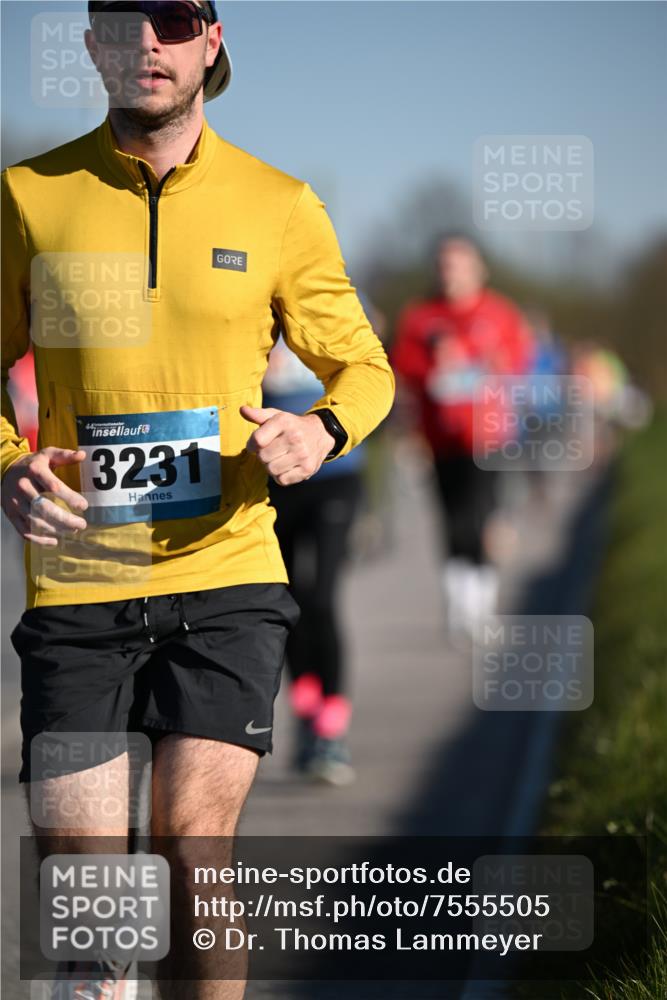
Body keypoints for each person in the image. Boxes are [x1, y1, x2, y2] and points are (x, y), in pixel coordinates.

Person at [0, 3, 394, 998]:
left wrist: (322, 429)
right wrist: (9, 460)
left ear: (209, 41)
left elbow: (363, 366)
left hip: (227, 573)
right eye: (120, 24)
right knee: (84, 872)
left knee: (189, 843)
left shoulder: (277, 203)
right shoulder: (27, 195)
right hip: (83, 573)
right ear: (92, 46)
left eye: (172, 21)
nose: (148, 45)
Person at [391, 233, 532, 633]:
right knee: (452, 518)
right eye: (443, 264)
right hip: (439, 437)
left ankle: (482, 606)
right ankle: (458, 605)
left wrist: (486, 363)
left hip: (489, 436)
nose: (450, 272)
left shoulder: (499, 312)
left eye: (458, 264)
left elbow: (518, 360)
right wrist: (433, 369)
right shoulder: (420, 317)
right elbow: (401, 364)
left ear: (478, 269)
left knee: (483, 517)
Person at [262, 324, 369, 786]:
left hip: (335, 475)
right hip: (273, 478)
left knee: (322, 599)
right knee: (286, 604)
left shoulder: (330, 305)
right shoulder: (247, 302)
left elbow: (369, 377)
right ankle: (307, 714)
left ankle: (332, 729)